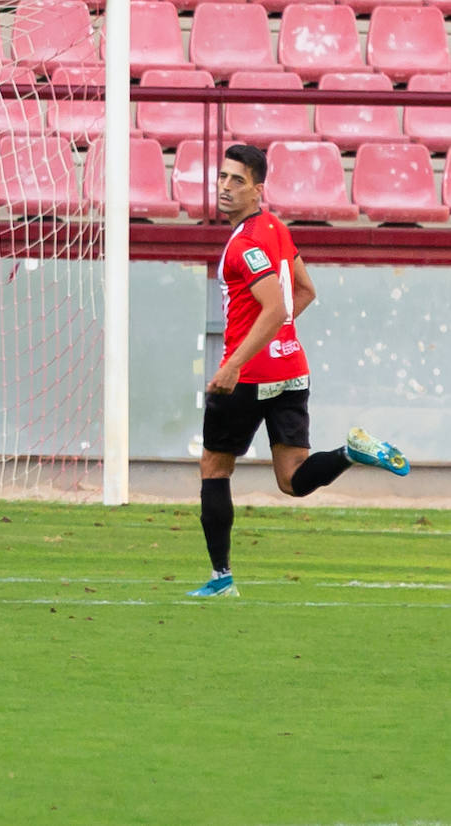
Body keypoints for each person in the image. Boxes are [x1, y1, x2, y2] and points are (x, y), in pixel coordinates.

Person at [189, 144, 409, 598]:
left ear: (258, 190)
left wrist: (234, 364)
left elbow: (276, 306)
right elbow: (305, 291)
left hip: (247, 377)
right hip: (291, 368)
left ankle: (221, 578)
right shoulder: (275, 229)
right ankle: (351, 453)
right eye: (223, 178)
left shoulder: (245, 244)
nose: (226, 188)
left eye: (238, 181)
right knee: (292, 479)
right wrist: (278, 337)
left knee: (214, 467)